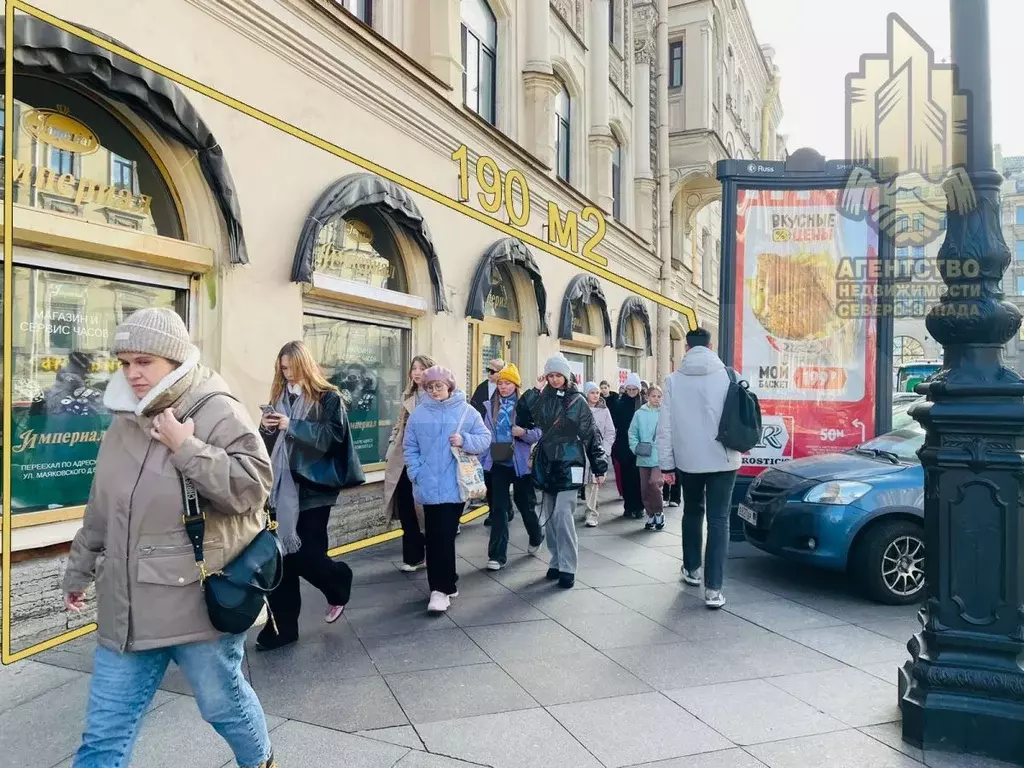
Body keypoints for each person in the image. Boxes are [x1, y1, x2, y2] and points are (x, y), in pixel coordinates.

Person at [61, 308, 277, 768]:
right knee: (102, 737)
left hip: (193, 603)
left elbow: (253, 488)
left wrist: (187, 448)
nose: (133, 373)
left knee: (224, 708)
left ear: (174, 360)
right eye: (124, 362)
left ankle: (259, 762)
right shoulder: (123, 417)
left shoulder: (214, 406)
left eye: (145, 361)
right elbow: (103, 504)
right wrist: (78, 569)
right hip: (125, 606)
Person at [256, 340, 365, 651]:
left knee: (307, 556)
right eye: (282, 368)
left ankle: (338, 579)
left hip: (315, 489)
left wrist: (293, 425)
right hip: (280, 490)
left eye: (289, 367)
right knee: (281, 562)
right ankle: (282, 628)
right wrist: (266, 428)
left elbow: (334, 438)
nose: (285, 373)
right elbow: (268, 449)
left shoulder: (329, 398)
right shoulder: (278, 398)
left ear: (304, 364)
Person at [657, 327, 741, 609]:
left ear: (687, 348)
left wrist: (666, 464)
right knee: (719, 521)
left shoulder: (672, 381)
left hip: (688, 461)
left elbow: (665, 427)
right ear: (711, 345)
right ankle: (714, 590)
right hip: (724, 458)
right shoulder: (730, 375)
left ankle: (692, 569)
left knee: (692, 511)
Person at [403, 365, 491, 613]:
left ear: (449, 386)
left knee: (442, 536)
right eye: (429, 387)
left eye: (438, 386)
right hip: (428, 485)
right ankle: (444, 585)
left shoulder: (466, 411)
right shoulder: (419, 414)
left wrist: (465, 440)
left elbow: (485, 438)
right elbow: (409, 447)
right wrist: (415, 472)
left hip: (455, 485)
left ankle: (442, 587)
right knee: (436, 537)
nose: (434, 391)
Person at [520, 356, 607, 589]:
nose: (555, 379)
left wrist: (599, 466)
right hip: (547, 461)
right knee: (549, 515)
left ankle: (568, 566)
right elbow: (524, 416)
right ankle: (556, 560)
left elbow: (591, 434)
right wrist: (533, 390)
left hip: (571, 462)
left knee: (563, 515)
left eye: (559, 375)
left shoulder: (577, 401)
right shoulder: (542, 398)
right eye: (551, 375)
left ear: (566, 376)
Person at [480, 363, 544, 569]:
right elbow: (484, 434)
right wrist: (482, 461)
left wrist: (523, 433)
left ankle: (536, 536)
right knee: (498, 508)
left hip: (521, 464)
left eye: (507, 383)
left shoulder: (526, 405)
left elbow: (539, 432)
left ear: (515, 385)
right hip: (498, 461)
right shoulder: (490, 405)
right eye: (500, 383)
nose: (503, 387)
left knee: (525, 505)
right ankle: (496, 556)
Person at [383, 354, 436, 572]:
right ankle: (413, 556)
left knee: (425, 510)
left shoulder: (436, 395)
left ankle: (431, 553)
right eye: (414, 368)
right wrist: (391, 441)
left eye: (422, 368)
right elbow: (399, 423)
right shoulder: (409, 395)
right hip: (402, 457)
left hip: (427, 459)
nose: (416, 372)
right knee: (406, 507)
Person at [470, 357, 507, 523]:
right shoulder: (482, 388)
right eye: (489, 371)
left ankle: (503, 510)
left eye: (494, 372)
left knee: (500, 477)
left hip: (502, 441)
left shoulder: (507, 388)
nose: (490, 375)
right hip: (485, 439)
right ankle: (494, 511)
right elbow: (473, 408)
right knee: (488, 476)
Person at [628, 384, 665, 531]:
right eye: (653, 396)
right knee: (644, 488)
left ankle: (659, 512)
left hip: (660, 456)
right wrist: (635, 447)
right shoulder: (639, 414)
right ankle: (651, 514)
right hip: (643, 455)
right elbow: (632, 433)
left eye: (659, 396)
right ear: (647, 397)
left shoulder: (665, 413)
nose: (656, 399)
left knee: (655, 484)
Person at [608, 373, 644, 519]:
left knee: (639, 479)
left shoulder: (643, 404)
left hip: (640, 445)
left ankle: (639, 506)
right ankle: (629, 506)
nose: (631, 392)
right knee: (627, 479)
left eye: (634, 389)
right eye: (629, 389)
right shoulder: (619, 403)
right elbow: (613, 423)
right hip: (623, 445)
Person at [581, 382, 615, 527]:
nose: (595, 395)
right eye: (592, 392)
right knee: (580, 481)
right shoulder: (579, 409)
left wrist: (605, 450)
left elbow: (610, 431)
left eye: (597, 392)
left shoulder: (604, 410)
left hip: (596, 451)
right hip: (580, 451)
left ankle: (592, 513)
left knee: (593, 483)